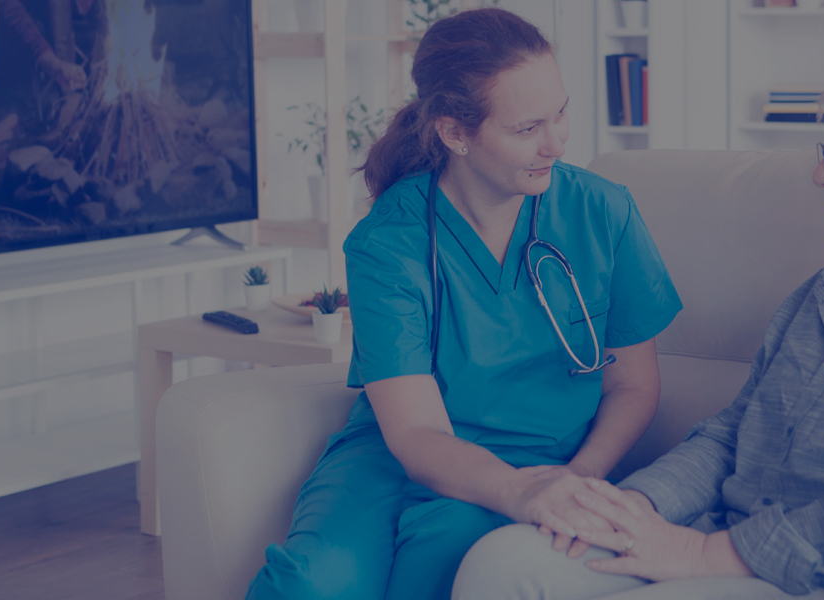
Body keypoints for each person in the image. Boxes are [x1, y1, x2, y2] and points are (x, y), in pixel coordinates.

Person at [452, 50, 824, 600]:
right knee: (501, 565)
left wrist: (702, 553)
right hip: (716, 538)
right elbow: (730, 436)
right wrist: (631, 506)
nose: (822, 175)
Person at [243, 8, 683, 600]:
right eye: (528, 128)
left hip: (540, 457)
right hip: (395, 455)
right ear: (455, 133)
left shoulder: (603, 212)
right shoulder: (391, 240)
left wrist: (573, 482)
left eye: (561, 113)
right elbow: (416, 430)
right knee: (310, 586)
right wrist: (520, 493)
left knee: (438, 572)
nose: (556, 143)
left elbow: (635, 385)